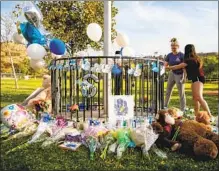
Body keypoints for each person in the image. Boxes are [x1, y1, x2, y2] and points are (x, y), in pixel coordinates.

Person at [166, 44, 212, 118]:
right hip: (196, 79)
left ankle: (210, 116)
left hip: (198, 78)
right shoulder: (195, 58)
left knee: (199, 97)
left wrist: (167, 67)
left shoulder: (190, 60)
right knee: (195, 98)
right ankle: (197, 116)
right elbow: (184, 69)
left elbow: (177, 66)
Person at [164, 38, 186, 111]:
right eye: (172, 47)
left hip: (179, 75)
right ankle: (165, 107)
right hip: (171, 74)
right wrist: (167, 67)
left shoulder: (182, 55)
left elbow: (184, 66)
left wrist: (184, 77)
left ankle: (183, 110)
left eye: (174, 47)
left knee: (181, 93)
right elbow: (165, 66)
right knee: (168, 91)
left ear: (178, 46)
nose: (173, 48)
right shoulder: (169, 55)